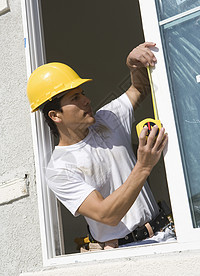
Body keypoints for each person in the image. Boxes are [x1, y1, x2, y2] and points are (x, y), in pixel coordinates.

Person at [27, 42, 175, 250]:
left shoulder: (107, 119)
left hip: (165, 234)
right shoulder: (60, 168)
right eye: (75, 98)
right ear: (55, 115)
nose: (87, 100)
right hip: (126, 253)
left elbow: (140, 88)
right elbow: (107, 214)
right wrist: (144, 165)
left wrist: (134, 66)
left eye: (83, 93)